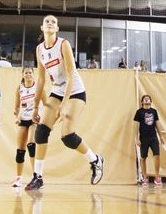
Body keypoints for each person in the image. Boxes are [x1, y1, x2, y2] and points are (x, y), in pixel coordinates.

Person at [25, 15, 104, 190]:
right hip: (57, 91)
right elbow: (40, 80)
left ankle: (95, 160)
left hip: (75, 91)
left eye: (54, 22)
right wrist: (35, 106)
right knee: (41, 132)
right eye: (47, 21)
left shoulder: (63, 44)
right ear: (42, 27)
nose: (50, 23)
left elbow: (70, 76)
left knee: (67, 137)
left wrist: (63, 105)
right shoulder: (39, 50)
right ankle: (38, 177)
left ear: (57, 28)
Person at [11, 68, 38, 188]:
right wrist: (17, 116)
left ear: (33, 74)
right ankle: (18, 178)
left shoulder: (38, 87)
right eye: (26, 72)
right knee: (20, 150)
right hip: (23, 119)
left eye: (30, 72)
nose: (28, 74)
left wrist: (41, 115)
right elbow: (16, 107)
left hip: (34, 120)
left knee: (31, 145)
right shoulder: (19, 88)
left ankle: (36, 177)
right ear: (23, 75)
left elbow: (47, 102)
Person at [134, 94, 164, 186]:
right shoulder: (139, 112)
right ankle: (144, 177)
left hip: (153, 137)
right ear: (142, 101)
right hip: (143, 138)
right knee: (143, 158)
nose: (147, 100)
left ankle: (157, 177)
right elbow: (135, 125)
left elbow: (157, 124)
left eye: (148, 99)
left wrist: (161, 136)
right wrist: (136, 138)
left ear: (151, 101)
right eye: (145, 99)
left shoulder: (154, 111)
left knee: (157, 155)